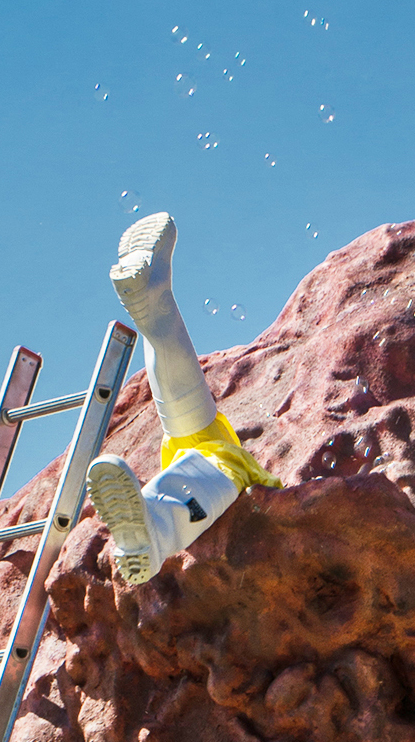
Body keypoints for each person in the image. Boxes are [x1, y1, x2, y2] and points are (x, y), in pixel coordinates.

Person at [85, 212, 280, 585]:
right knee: (224, 464)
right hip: (211, 456)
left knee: (205, 444)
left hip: (202, 447)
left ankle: (156, 299)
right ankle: (154, 530)